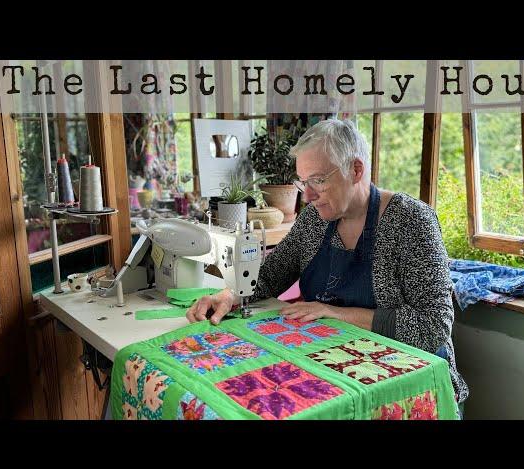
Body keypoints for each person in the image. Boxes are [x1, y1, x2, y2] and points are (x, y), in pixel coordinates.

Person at [187, 119, 469, 415]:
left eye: (318, 181)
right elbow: (269, 276)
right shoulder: (313, 220)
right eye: (302, 182)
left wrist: (335, 313)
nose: (306, 195)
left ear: (356, 170)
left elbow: (433, 326)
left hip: (412, 389)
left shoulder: (411, 222)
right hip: (337, 374)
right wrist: (230, 295)